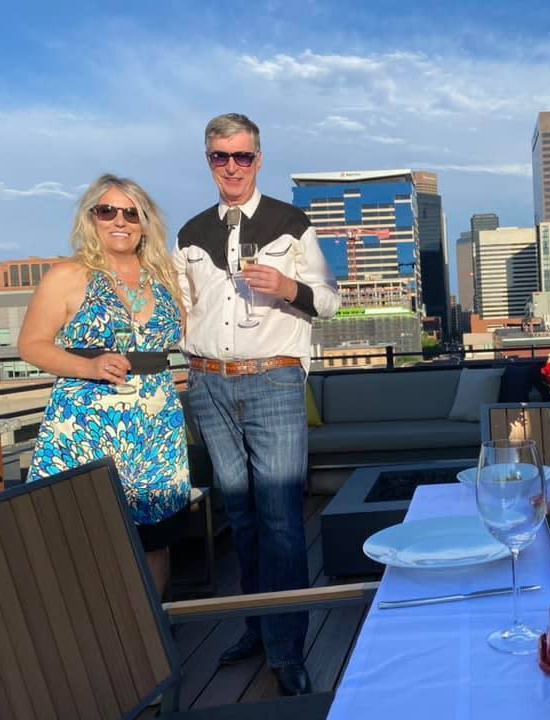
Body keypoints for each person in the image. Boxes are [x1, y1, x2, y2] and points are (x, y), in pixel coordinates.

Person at [174, 113, 340, 697]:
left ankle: (288, 647)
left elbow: (329, 299)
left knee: (279, 519)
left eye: (242, 156)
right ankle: (258, 624)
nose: (232, 167)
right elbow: (182, 308)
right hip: (209, 385)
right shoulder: (190, 234)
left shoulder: (292, 224)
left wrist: (287, 287)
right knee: (240, 517)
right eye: (221, 156)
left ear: (259, 159)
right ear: (209, 160)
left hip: (273, 382)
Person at [20, 174, 191, 597]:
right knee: (87, 538)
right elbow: (30, 345)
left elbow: (184, 334)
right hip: (88, 427)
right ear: (92, 217)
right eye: (107, 210)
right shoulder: (68, 275)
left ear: (146, 221)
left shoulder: (162, 276)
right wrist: (91, 366)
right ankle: (97, 641)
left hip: (155, 427)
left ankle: (150, 637)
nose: (120, 220)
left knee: (155, 539)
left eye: (131, 212)